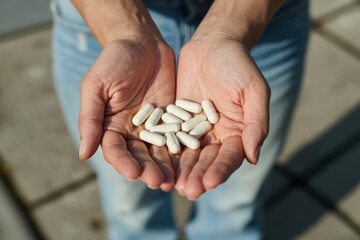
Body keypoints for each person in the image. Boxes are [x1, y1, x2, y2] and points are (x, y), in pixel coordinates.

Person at [51, 0, 310, 239]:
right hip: (102, 15)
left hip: (258, 17)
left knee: (238, 198)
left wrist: (229, 27)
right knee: (128, 203)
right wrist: (124, 30)